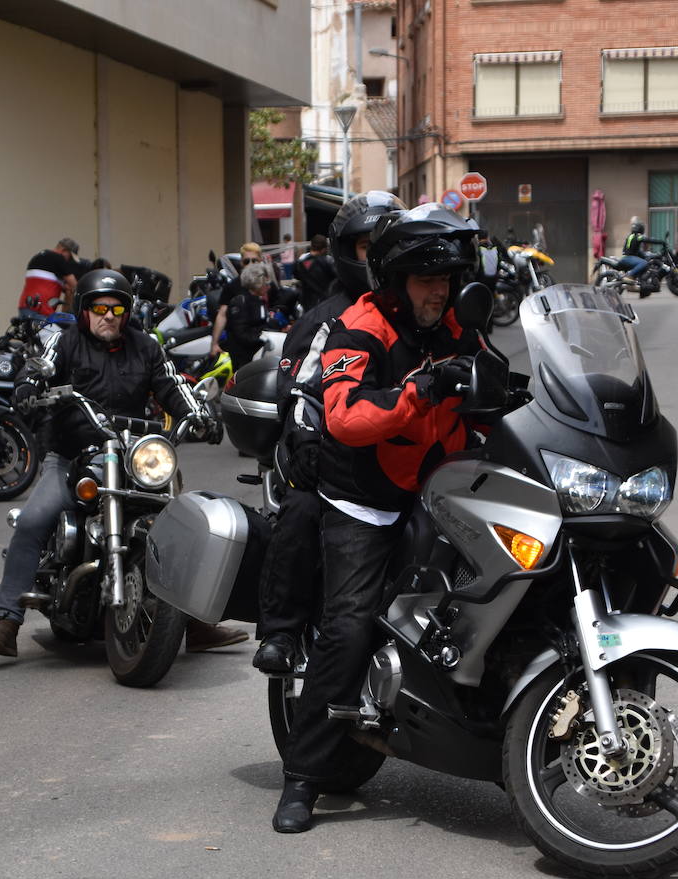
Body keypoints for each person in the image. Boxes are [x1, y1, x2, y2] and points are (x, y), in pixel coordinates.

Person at [272, 203, 492, 833]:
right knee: (346, 628)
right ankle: (303, 777)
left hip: (441, 491)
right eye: (427, 282)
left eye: (445, 281)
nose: (438, 292)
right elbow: (346, 414)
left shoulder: (455, 324)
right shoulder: (357, 327)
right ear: (396, 282)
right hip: (364, 500)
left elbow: (488, 378)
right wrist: (421, 390)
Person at [0, 269, 246, 657]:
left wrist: (199, 414)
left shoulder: (146, 347)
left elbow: (171, 385)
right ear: (84, 310)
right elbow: (39, 368)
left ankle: (197, 624)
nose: (109, 315)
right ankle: (7, 621)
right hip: (73, 455)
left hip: (134, 456)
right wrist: (28, 385)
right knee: (35, 519)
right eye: (99, 308)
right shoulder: (64, 343)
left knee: (180, 525)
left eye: (117, 308)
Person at [253, 190, 404, 675]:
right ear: (346, 250)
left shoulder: (417, 312)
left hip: (402, 457)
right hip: (334, 458)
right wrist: (307, 441)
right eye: (366, 246)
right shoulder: (325, 318)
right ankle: (282, 631)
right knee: (300, 510)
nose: (378, 254)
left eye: (388, 242)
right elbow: (299, 392)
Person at [209, 261, 275, 371]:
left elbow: (262, 323)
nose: (268, 287)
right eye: (266, 284)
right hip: (243, 356)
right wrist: (261, 339)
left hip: (256, 352)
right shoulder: (241, 301)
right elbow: (241, 332)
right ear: (258, 283)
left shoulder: (258, 300)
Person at [18, 238, 81, 316]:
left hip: (25, 306)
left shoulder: (37, 257)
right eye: (70, 257)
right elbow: (75, 286)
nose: (68, 260)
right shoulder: (59, 258)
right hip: (41, 310)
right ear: (63, 250)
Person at [293, 234, 337, 311]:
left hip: (307, 305)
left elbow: (296, 276)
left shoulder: (300, 263)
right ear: (324, 249)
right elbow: (337, 278)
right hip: (325, 303)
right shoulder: (327, 262)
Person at [616, 218, 650, 284]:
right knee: (644, 263)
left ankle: (639, 280)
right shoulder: (637, 236)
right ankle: (630, 275)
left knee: (645, 259)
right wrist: (661, 242)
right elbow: (646, 240)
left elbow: (638, 249)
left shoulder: (632, 235)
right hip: (629, 257)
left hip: (630, 256)